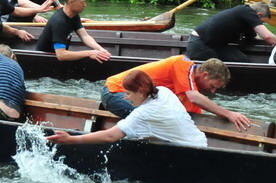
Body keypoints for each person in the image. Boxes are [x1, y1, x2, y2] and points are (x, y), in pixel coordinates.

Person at [47, 70, 207, 148]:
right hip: (201, 142)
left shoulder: (142, 113)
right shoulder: (165, 92)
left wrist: (71, 139)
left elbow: (110, 136)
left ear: (141, 91)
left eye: (129, 93)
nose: (126, 98)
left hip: (189, 152)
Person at [100, 56, 251, 131]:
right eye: (212, 86)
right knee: (151, 120)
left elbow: (192, 118)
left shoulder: (188, 89)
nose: (212, 91)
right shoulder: (182, 64)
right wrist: (229, 114)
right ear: (204, 75)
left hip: (133, 98)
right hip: (115, 92)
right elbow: (194, 97)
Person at [34, 0, 112, 63]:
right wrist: (90, 53)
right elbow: (61, 55)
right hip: (44, 61)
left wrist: (100, 49)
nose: (85, 5)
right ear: (71, 2)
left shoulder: (73, 15)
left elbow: (85, 36)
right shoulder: (59, 22)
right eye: (82, 2)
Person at [187, 1, 276, 62]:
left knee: (242, 60)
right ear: (259, 15)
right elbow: (267, 37)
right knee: (216, 68)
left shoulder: (245, 20)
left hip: (216, 45)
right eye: (261, 22)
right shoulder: (246, 11)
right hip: (200, 44)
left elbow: (251, 37)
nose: (260, 24)